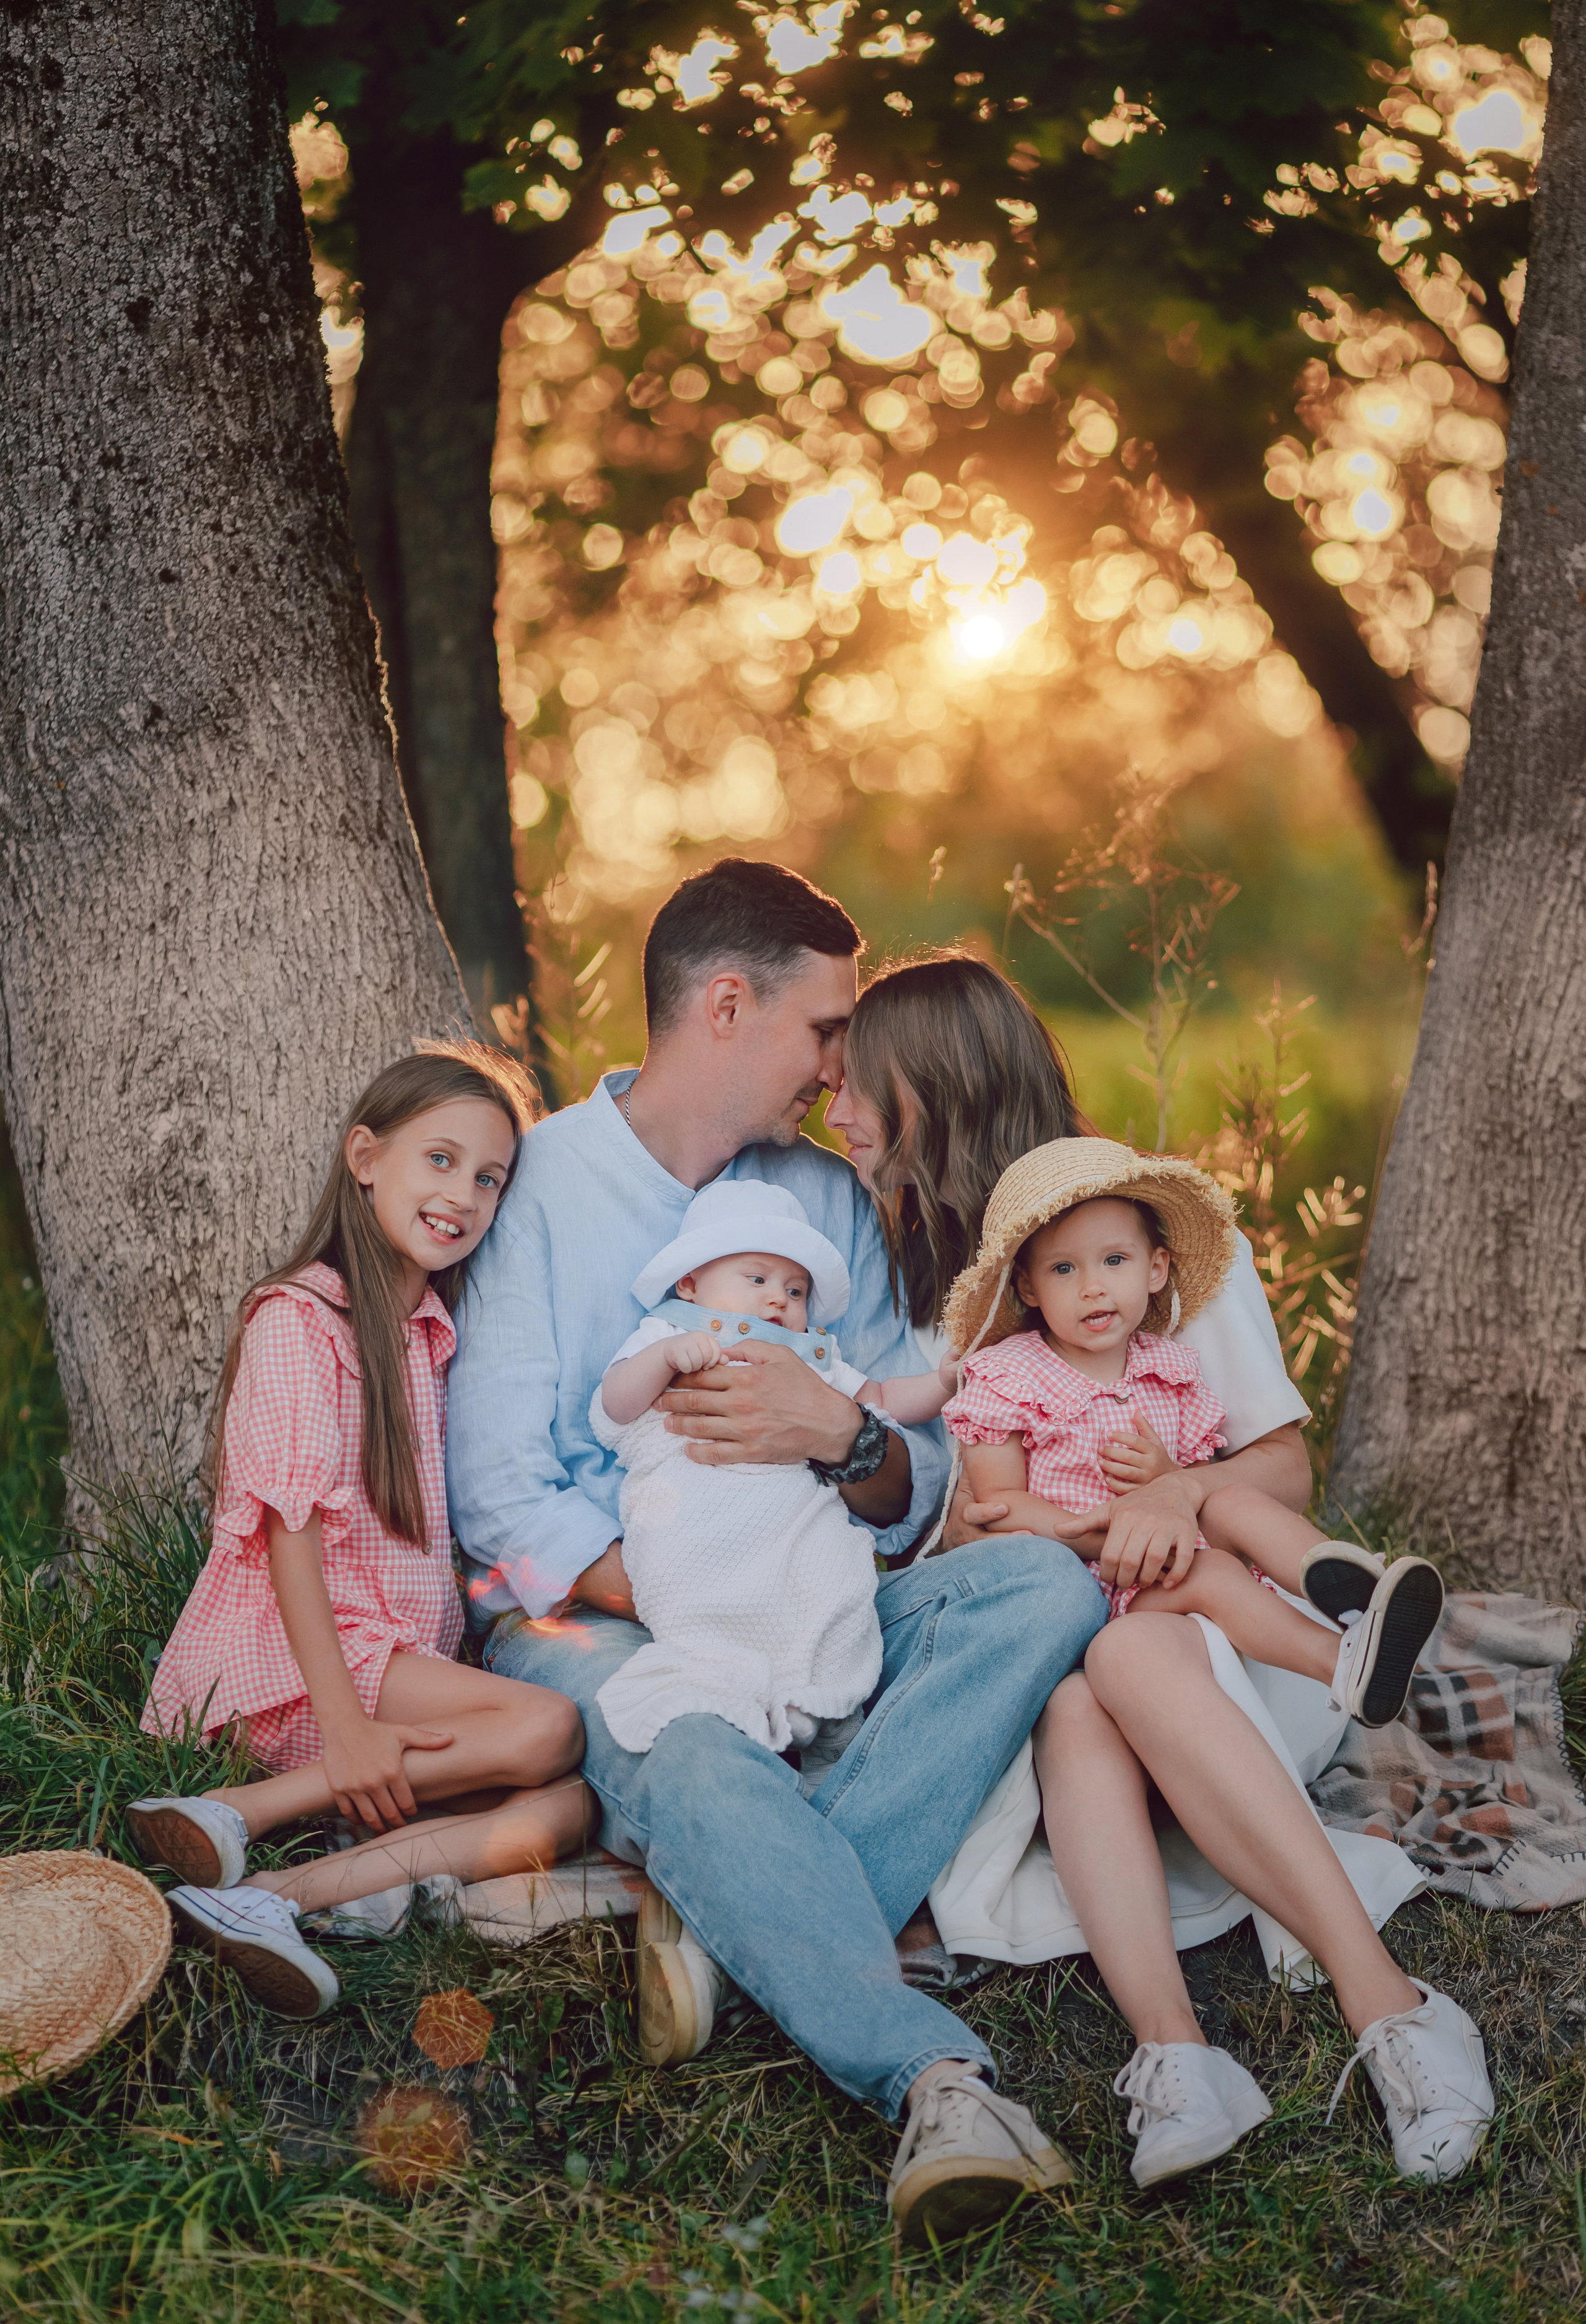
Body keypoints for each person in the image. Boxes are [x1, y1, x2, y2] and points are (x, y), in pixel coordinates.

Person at [448, 860, 1110, 2247]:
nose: (836, 1068)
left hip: (823, 1591)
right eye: (824, 1030)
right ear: (727, 1004)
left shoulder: (816, 1197)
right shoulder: (544, 1180)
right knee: (688, 1734)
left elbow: (914, 1477)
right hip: (614, 1608)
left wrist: (841, 1437)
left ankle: (717, 1912)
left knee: (1038, 1584)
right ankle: (936, 2077)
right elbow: (501, 1493)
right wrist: (701, 1599)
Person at [828, 956, 1493, 2188]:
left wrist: (1173, 1495)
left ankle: (1390, 2008)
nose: (835, 1111)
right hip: (1044, 1665)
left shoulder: (1144, 1239)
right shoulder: (929, 1290)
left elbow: (1275, 1468)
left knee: (1125, 1650)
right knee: (1086, 1675)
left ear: (933, 1088)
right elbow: (965, 1517)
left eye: (855, 1084)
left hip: (1207, 1631)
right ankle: (1177, 2059)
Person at [129, 1046, 590, 2019]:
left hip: (383, 1675)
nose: (462, 1194)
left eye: (488, 1177)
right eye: (440, 1159)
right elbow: (287, 1535)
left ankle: (269, 1898)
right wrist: (345, 1731)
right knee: (546, 1725)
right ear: (366, 1156)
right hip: (297, 1669)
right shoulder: (300, 1319)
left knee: (570, 1804)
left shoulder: (426, 1330)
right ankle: (233, 1814)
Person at [940, 1140, 1445, 1726]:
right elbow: (997, 1507)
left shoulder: (1170, 1369)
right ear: (1028, 1288)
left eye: (1114, 1261)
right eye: (1063, 1269)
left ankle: (1372, 1597)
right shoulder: (1010, 1374)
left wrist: (1168, 1482)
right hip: (1095, 1583)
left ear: (1156, 1269)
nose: (1093, 1287)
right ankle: (1340, 1662)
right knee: (1216, 1574)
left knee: (1231, 1498)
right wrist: (1105, 1533)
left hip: (1168, 1550)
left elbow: (1191, 1492)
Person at [594, 1179, 958, 1761]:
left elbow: (881, 1397)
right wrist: (662, 1360)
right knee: (692, 1577)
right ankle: (720, 1680)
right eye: (758, 1279)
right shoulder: (666, 1333)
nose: (778, 1301)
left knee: (832, 1576)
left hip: (792, 1516)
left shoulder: (814, 1357)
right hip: (695, 1509)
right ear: (690, 1282)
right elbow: (615, 1405)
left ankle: (817, 1696)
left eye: (795, 1289)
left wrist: (941, 1383)